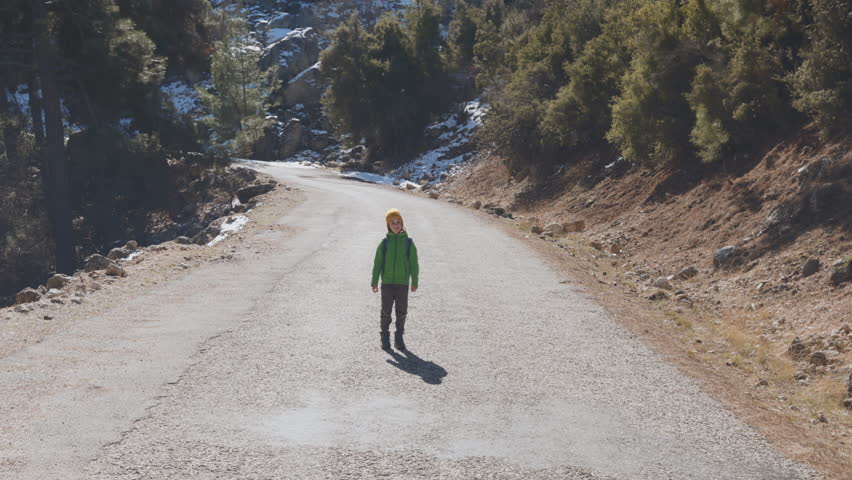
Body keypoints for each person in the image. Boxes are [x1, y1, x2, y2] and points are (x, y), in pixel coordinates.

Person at [371, 208, 419, 351]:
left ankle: (399, 336)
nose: (396, 224)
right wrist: (374, 281)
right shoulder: (384, 243)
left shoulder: (409, 243)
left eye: (398, 222)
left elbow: (414, 264)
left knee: (401, 311)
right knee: (386, 311)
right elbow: (378, 263)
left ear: (402, 223)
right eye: (392, 222)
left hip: (402, 283)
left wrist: (414, 281)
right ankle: (384, 335)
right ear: (388, 225)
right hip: (387, 283)